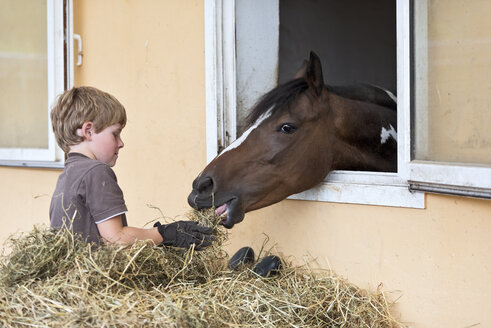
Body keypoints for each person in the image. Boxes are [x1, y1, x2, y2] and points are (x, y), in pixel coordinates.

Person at [49, 86, 213, 249]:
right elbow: (116, 239)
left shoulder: (67, 176)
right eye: (115, 134)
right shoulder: (95, 171)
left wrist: (152, 239)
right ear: (89, 131)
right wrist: (167, 234)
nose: (121, 143)